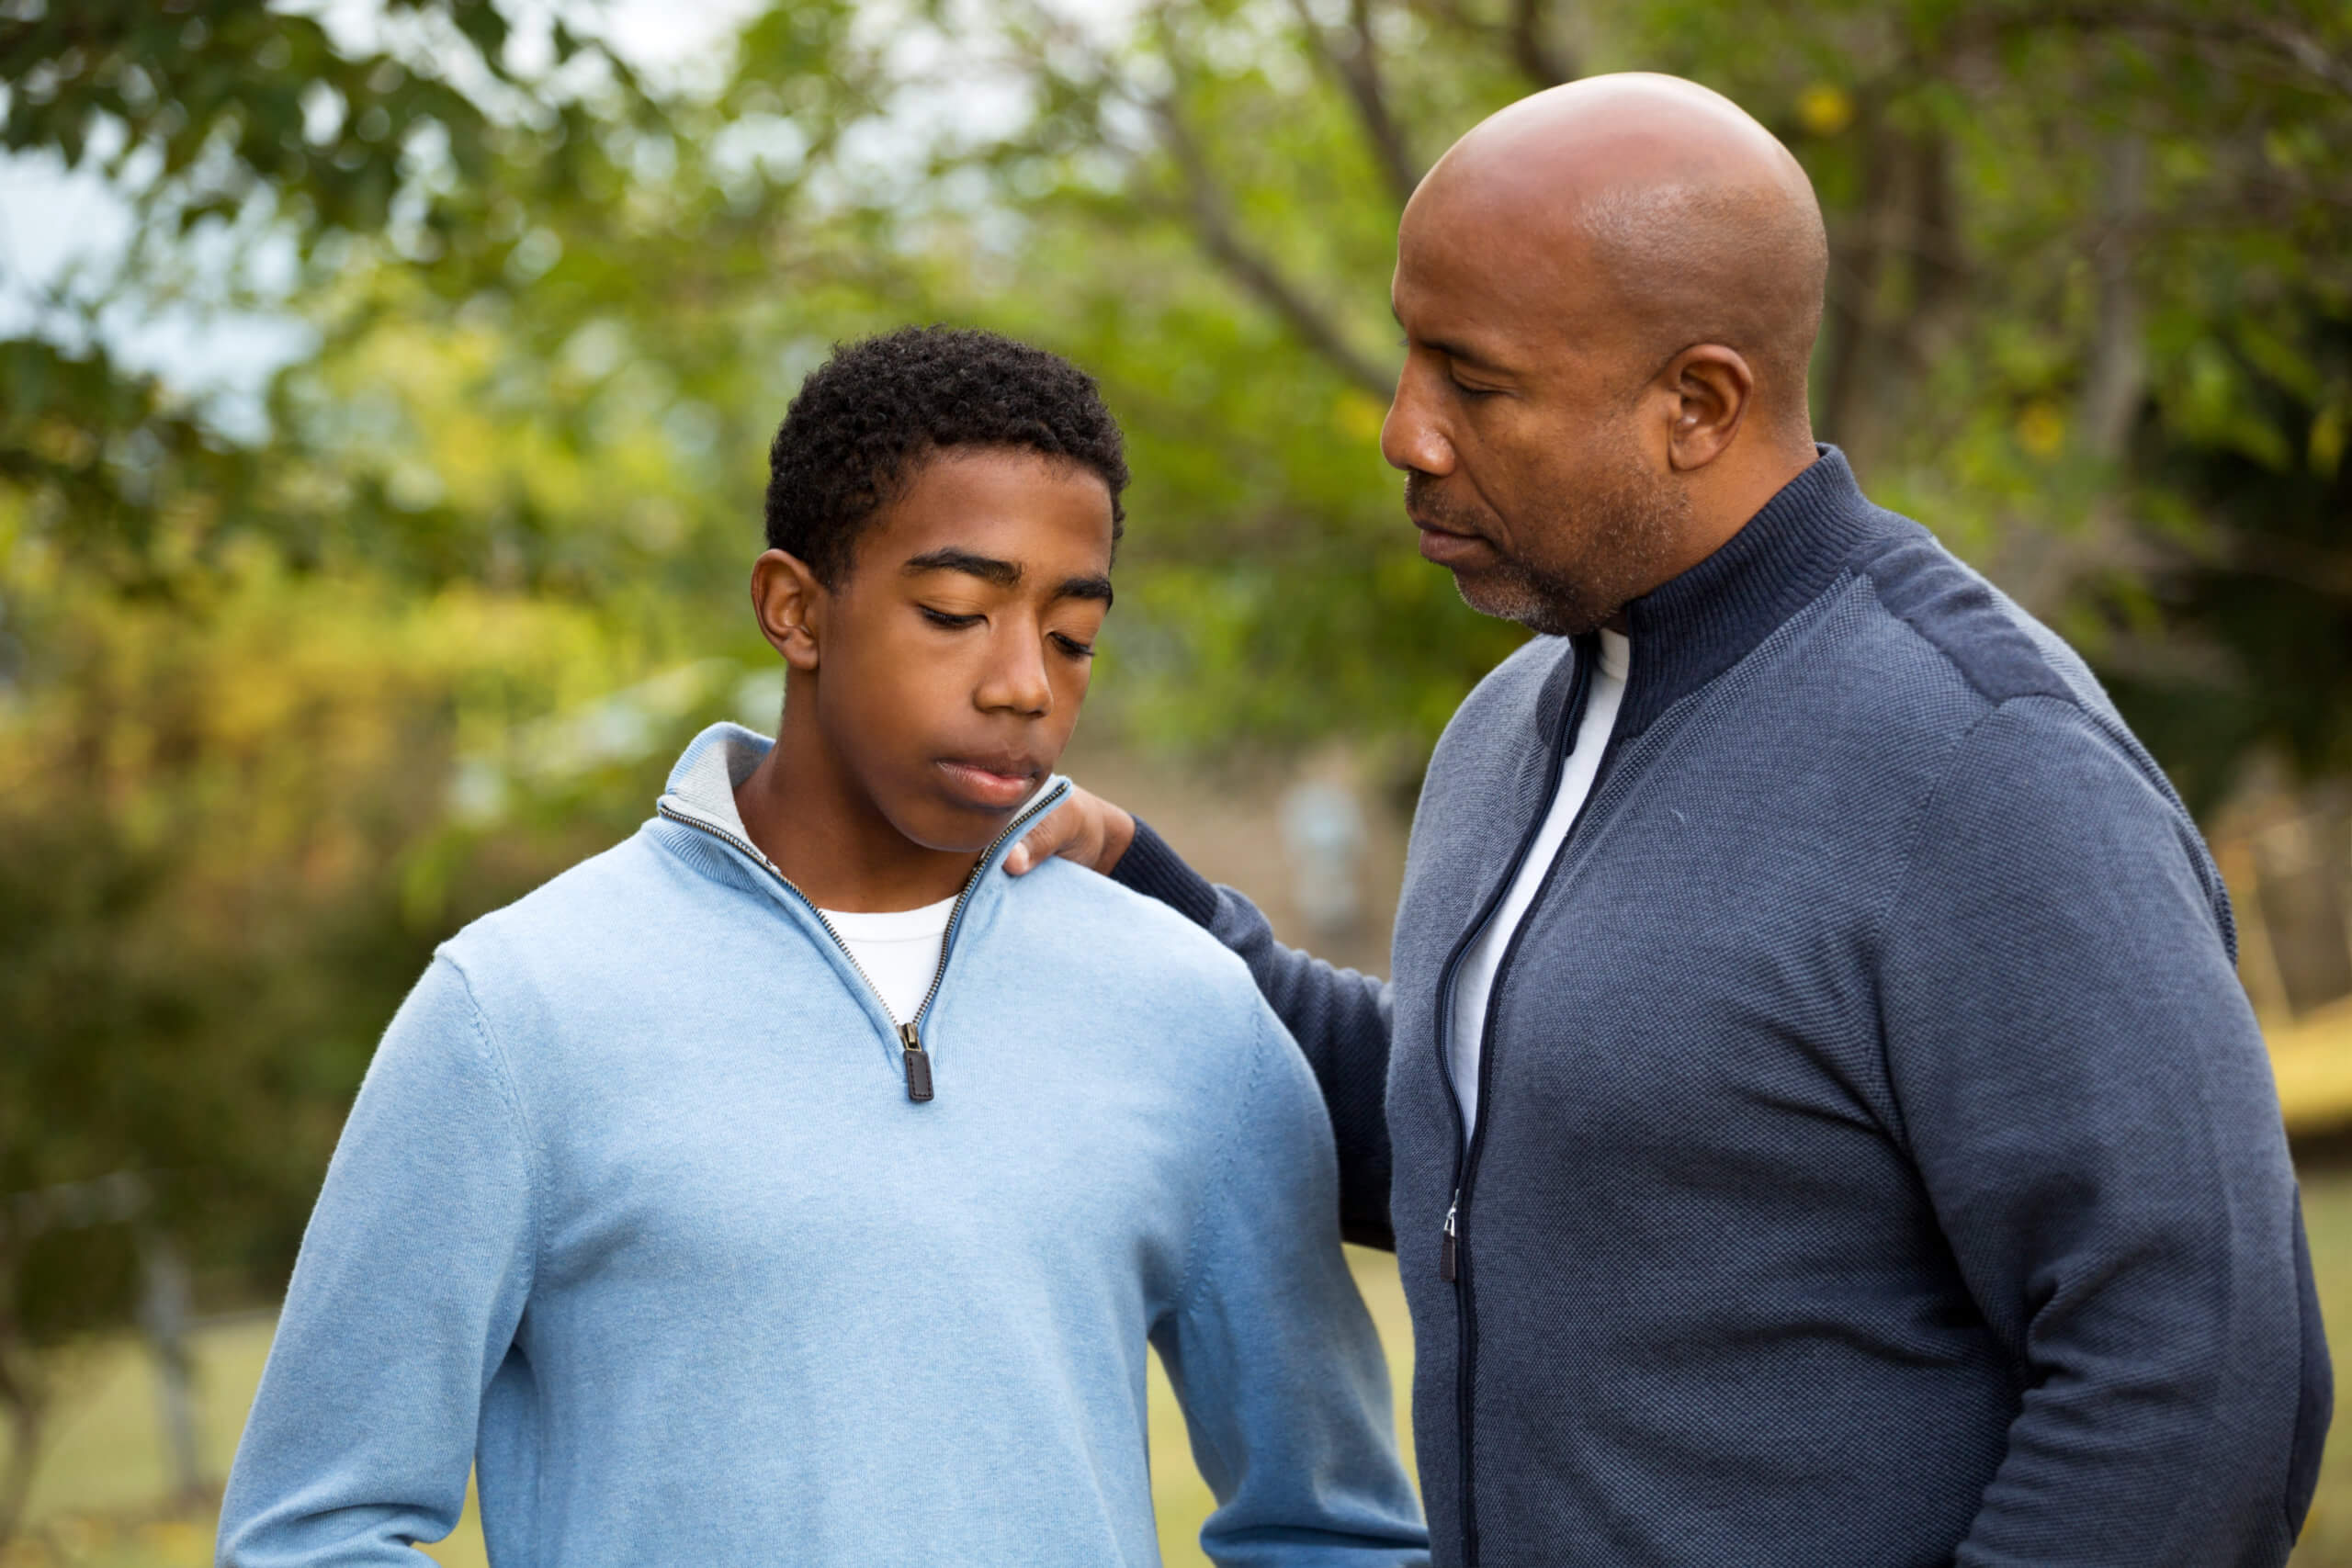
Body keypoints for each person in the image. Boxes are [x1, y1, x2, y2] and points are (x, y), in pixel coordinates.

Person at [1011, 75, 2331, 1567]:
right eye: (1406, 356)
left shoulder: (1984, 766)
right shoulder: (1509, 728)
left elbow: (2201, 1379)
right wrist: (1160, 909)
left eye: (1473, 381)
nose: (1403, 432)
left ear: (1698, 404)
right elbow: (1512, 1143)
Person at [218, 327, 1428, 1567]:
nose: (1024, 684)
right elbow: (315, 1533)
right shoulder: (519, 1010)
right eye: (956, 612)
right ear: (795, 609)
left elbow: (1334, 1530)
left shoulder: (1190, 1013)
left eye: (1072, 636)